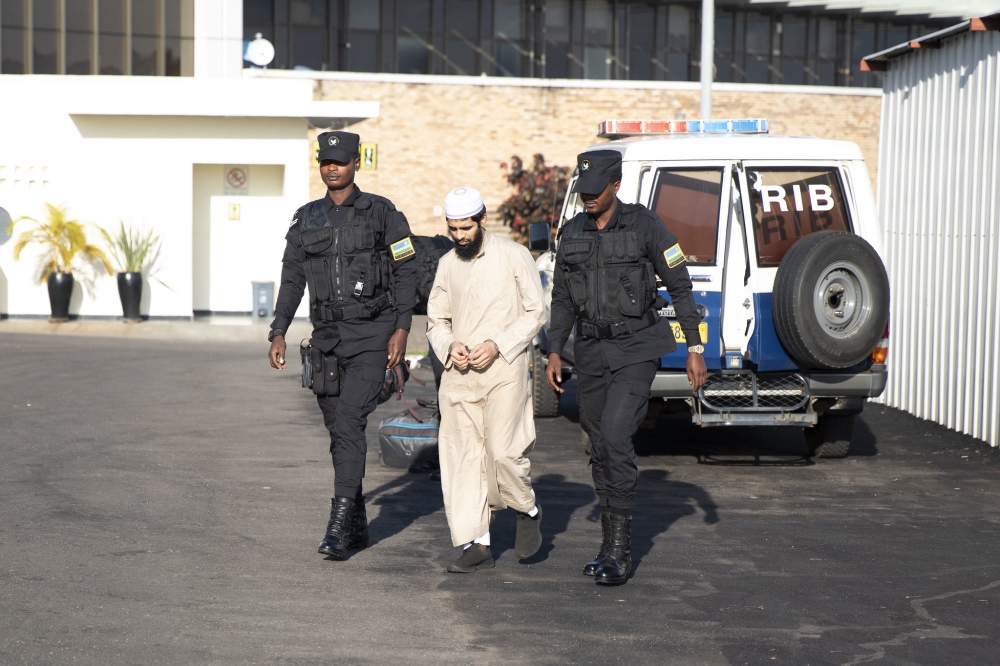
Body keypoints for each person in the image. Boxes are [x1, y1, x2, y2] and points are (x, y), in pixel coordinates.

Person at [545, 150, 707, 586]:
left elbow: (679, 284)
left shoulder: (646, 226)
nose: (588, 199)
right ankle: (606, 545)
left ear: (616, 184)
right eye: (583, 192)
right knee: (599, 444)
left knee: (616, 437)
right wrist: (555, 349)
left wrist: (694, 346)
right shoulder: (573, 231)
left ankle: (620, 550)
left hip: (637, 348)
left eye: (596, 191)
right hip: (592, 352)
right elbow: (561, 296)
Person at [267, 130, 418, 560]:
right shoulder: (306, 219)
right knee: (339, 433)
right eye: (325, 161)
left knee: (350, 422)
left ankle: (336, 525)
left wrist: (402, 329)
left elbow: (407, 271)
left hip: (373, 335)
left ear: (356, 163)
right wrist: (278, 330)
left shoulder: (382, 213)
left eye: (341, 161)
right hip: (327, 341)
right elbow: (293, 278)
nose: (332, 168)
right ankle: (357, 522)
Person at [426, 187, 546, 573]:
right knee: (462, 458)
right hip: (458, 377)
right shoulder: (447, 263)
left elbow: (536, 312)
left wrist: (498, 344)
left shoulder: (514, 255)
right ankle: (475, 543)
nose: (459, 235)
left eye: (465, 227)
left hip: (505, 371)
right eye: (453, 228)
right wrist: (450, 345)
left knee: (503, 453)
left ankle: (526, 509)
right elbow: (436, 320)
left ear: (482, 221)